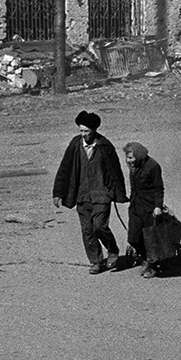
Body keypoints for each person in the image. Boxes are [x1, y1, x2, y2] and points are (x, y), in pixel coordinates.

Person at [52, 110, 128, 274]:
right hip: (82, 195)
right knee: (88, 230)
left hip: (102, 195)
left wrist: (118, 193)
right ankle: (96, 261)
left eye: (86, 131)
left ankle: (112, 249)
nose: (83, 134)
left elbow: (116, 171)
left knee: (100, 226)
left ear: (94, 130)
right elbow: (64, 169)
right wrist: (58, 193)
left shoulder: (105, 146)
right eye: (81, 131)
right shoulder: (75, 144)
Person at [121, 141, 166, 278]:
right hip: (135, 206)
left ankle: (151, 266)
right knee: (133, 238)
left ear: (139, 156)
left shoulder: (153, 166)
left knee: (150, 239)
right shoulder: (133, 166)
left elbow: (159, 188)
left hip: (149, 207)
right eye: (127, 157)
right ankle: (145, 257)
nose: (128, 161)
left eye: (130, 158)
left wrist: (158, 206)